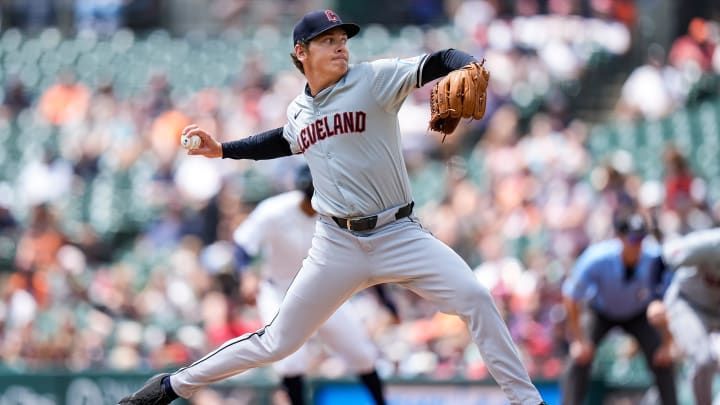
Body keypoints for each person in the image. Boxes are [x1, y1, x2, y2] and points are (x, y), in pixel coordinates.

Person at [118, 9, 546, 405]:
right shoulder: (299, 110)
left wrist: (470, 64)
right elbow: (279, 140)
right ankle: (169, 387)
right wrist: (223, 150)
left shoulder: (373, 78)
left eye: (343, 38)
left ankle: (527, 401)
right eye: (328, 40)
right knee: (277, 342)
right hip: (336, 244)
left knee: (474, 296)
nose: (341, 45)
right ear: (300, 53)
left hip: (399, 233)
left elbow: (440, 58)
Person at [232, 164, 388, 405]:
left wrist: (386, 302)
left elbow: (365, 255)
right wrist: (246, 275)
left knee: (362, 354)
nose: (312, 201)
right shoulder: (274, 210)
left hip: (322, 293)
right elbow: (243, 244)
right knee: (290, 359)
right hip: (279, 292)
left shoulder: (339, 213)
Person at [561, 211, 677, 405]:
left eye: (641, 239)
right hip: (601, 311)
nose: (638, 245)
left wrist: (667, 344)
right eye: (633, 239)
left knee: (663, 359)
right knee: (579, 359)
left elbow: (670, 298)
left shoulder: (655, 257)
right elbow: (571, 296)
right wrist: (579, 340)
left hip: (639, 313)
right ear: (619, 238)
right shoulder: (597, 258)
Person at [661, 228, 720, 405]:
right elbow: (664, 258)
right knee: (703, 359)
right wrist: (655, 298)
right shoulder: (709, 243)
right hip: (688, 304)